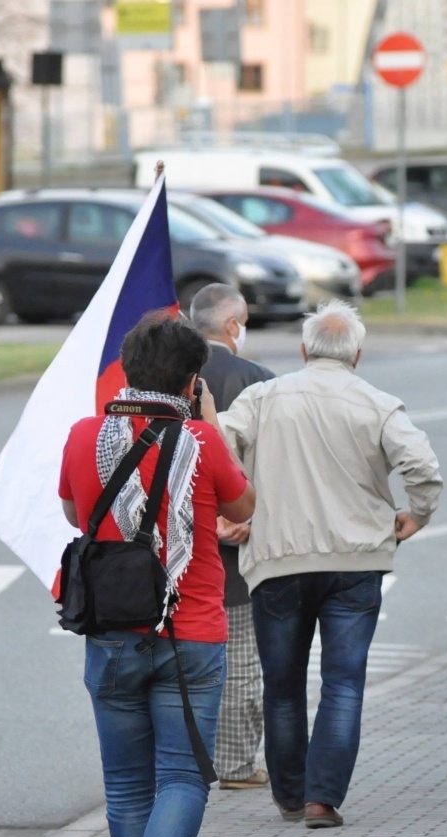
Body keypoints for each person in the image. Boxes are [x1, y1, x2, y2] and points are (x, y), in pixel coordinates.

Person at [58, 311, 255, 837]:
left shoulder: (87, 435)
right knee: (184, 778)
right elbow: (243, 508)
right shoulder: (201, 440)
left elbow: (71, 511)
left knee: (125, 787)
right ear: (193, 379)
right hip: (191, 631)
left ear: (126, 372)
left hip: (111, 632)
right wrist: (208, 418)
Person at [218, 301, 441, 829]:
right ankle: (323, 799)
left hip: (278, 559)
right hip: (357, 562)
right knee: (344, 682)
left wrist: (230, 512)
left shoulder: (262, 398)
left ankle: (290, 795)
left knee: (283, 683)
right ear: (357, 356)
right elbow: (423, 467)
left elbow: (216, 444)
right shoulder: (379, 404)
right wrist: (417, 515)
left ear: (303, 350)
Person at [189, 283, 274, 791]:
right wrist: (251, 515)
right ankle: (237, 765)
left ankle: (182, 760)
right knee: (241, 659)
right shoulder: (259, 382)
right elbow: (274, 462)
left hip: (179, 543)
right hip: (240, 543)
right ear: (233, 325)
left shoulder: (165, 374)